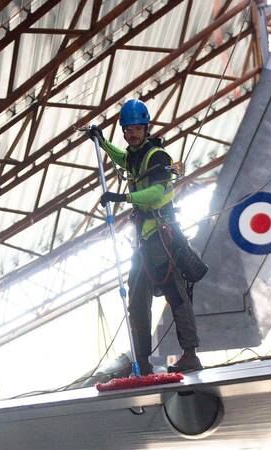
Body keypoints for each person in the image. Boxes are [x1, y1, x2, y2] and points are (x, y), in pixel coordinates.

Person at [85, 99, 206, 374]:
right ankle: (142, 360)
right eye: (128, 130)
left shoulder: (157, 157)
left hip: (163, 238)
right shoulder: (134, 156)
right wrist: (102, 142)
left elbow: (156, 193)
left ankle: (190, 353)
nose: (132, 134)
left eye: (137, 128)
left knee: (176, 295)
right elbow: (122, 158)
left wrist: (124, 196)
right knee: (138, 301)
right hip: (144, 242)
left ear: (146, 127)